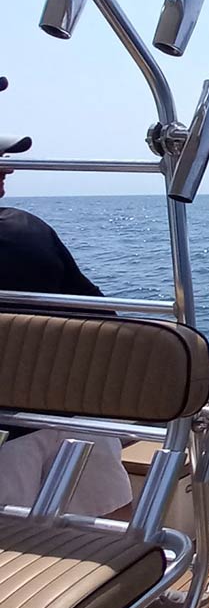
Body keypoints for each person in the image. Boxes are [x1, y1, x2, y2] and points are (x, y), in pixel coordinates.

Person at [0, 133, 133, 520]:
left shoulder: (27, 229)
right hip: (68, 410)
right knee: (113, 527)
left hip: (45, 422)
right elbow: (102, 319)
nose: (9, 168)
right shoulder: (28, 229)